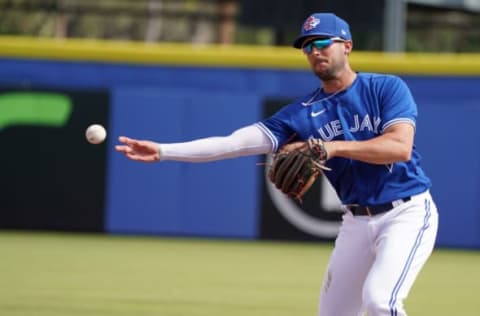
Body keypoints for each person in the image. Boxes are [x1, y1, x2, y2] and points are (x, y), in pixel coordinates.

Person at [115, 12, 438, 316]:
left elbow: (399, 147)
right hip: (356, 220)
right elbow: (233, 143)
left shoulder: (384, 88)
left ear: (347, 46)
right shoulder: (300, 113)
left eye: (323, 42)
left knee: (380, 300)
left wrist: (331, 147)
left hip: (405, 213)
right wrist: (163, 150)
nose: (315, 51)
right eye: (308, 46)